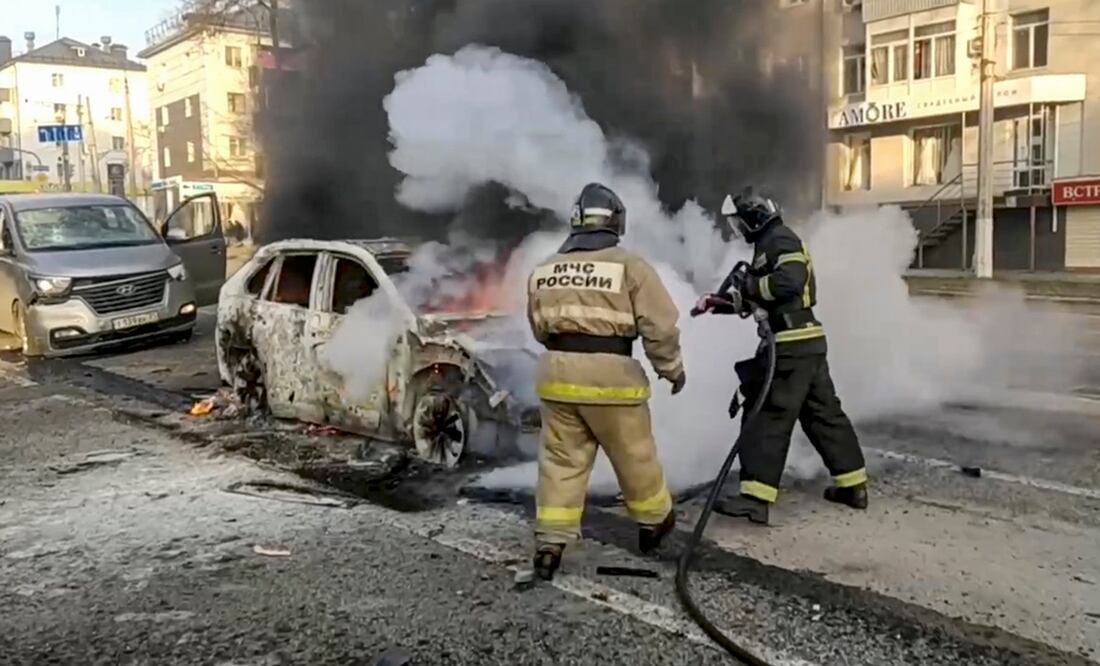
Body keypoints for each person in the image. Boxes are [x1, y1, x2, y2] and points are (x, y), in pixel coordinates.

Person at [525, 182, 686, 581]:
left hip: (557, 376)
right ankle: (653, 525)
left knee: (561, 463)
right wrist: (671, 369)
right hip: (611, 378)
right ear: (616, 222)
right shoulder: (630, 266)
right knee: (634, 455)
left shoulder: (545, 268)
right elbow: (660, 326)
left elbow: (539, 329)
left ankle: (549, 545)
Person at [694, 188, 868, 526]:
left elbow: (788, 283)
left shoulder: (780, 240)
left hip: (790, 344)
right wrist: (719, 304)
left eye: (740, 222)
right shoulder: (772, 243)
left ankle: (755, 499)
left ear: (755, 218)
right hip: (806, 342)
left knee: (766, 415)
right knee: (823, 414)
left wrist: (746, 287)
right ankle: (852, 484)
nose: (738, 229)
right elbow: (769, 297)